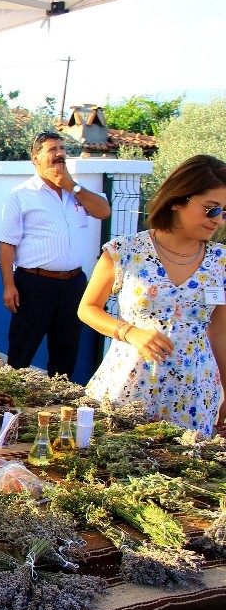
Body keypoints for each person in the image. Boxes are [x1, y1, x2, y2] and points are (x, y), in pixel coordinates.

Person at [79, 154, 226, 437]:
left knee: (180, 475)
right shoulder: (125, 251)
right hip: (128, 387)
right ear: (177, 200)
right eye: (210, 209)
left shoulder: (221, 262)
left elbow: (219, 330)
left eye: (225, 212)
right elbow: (87, 308)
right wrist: (129, 332)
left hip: (193, 397)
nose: (217, 220)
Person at [0, 130, 112, 377]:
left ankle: (57, 409)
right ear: (36, 157)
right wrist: (9, 285)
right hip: (34, 285)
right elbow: (7, 244)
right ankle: (9, 408)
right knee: (21, 353)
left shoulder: (78, 191)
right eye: (52, 149)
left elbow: (104, 211)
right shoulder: (21, 195)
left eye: (62, 149)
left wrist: (71, 186)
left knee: (65, 354)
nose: (60, 154)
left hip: (74, 285)